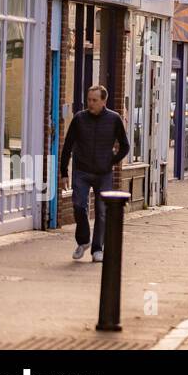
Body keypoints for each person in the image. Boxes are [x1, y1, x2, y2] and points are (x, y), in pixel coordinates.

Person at [59, 85, 130, 263]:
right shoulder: (79, 119)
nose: (90, 103)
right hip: (82, 171)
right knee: (78, 205)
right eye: (89, 100)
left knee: (101, 211)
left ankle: (98, 249)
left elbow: (125, 146)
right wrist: (64, 172)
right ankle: (83, 241)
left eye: (94, 100)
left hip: (104, 173)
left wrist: (111, 161)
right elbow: (67, 145)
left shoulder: (114, 119)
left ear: (103, 101)